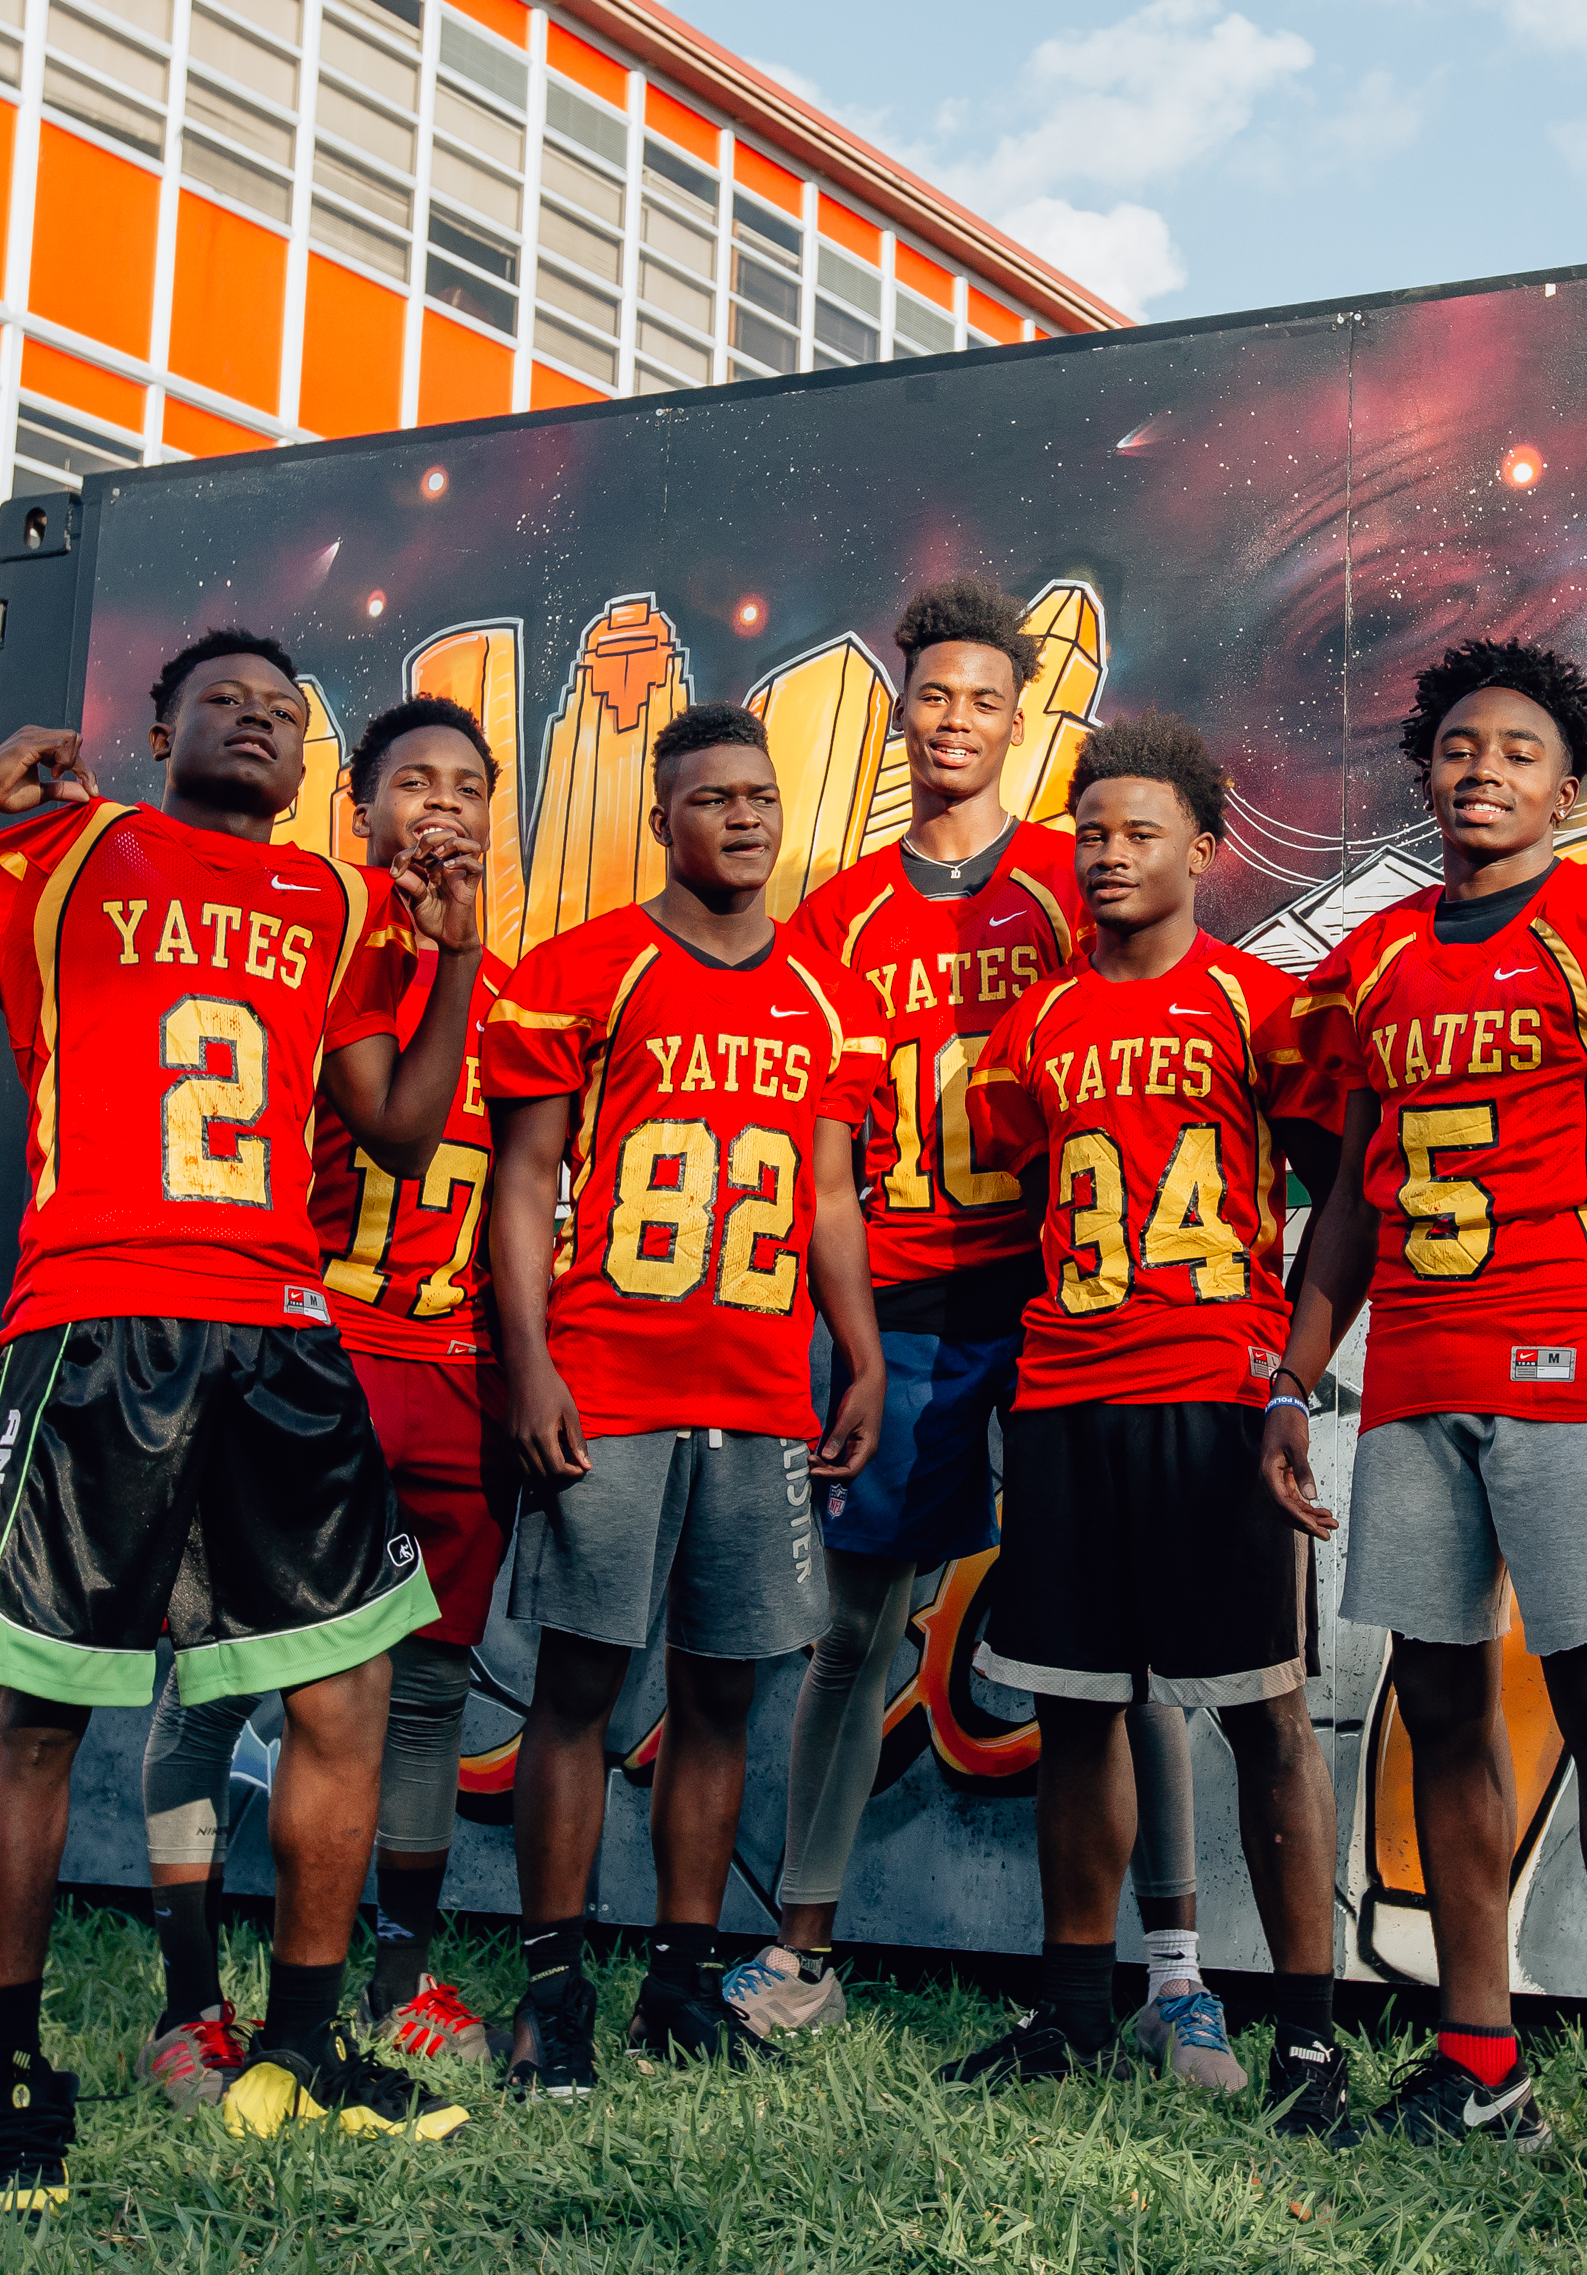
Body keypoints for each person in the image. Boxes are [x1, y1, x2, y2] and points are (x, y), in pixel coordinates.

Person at [0, 631, 484, 2214]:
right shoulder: (63, 849)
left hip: (282, 1326)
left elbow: (403, 1123)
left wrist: (454, 952)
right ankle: (12, 2081)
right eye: (225, 699)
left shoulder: (336, 897)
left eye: (285, 711)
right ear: (159, 725)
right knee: (36, 1719)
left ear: (312, 764)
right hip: (97, 1325)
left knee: (345, 1698)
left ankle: (301, 2059)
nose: (258, 719)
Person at [1266, 637, 1587, 2208]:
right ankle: (1480, 2059)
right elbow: (1354, 1190)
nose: (1481, 769)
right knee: (1440, 1706)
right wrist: (1296, 1368)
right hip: (1416, 1372)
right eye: (1457, 746)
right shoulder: (1386, 955)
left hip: (1569, 1360)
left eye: (1516, 749)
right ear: (1426, 771)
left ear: (1568, 782)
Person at [729, 580, 1213, 2086]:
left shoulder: (1088, 882)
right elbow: (819, 1157)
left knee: (1128, 1647)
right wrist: (856, 1340)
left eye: (981, 700)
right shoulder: (839, 913)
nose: (953, 720)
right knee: (856, 1627)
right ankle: (802, 1948)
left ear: (1021, 718)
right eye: (930, 695)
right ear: (904, 712)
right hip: (915, 1303)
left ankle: (1178, 1973)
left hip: (1074, 1296)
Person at [934, 715, 1351, 2129]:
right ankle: (1069, 2008)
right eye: (1093, 833)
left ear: (1205, 847)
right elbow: (1010, 1195)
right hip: (1065, 1393)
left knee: (1265, 1720)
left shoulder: (1259, 1004)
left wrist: (1294, 1369)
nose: (1110, 856)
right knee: (1073, 1715)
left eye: (1141, 832)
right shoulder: (1038, 1018)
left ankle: (1308, 2036)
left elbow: (1336, 1197)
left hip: (1212, 1395)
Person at [482, 700, 888, 2096]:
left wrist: (863, 1348)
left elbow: (832, 1193)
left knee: (725, 1693)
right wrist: (528, 1357)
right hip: (614, 1377)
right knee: (581, 1686)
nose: (745, 815)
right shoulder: (588, 969)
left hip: (764, 1391)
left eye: (761, 794)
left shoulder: (829, 993)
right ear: (663, 818)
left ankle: (675, 1975)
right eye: (712, 795)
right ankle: (550, 1988)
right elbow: (525, 1180)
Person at [133, 698, 519, 2106]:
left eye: (468, 784)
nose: (441, 805)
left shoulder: (515, 989)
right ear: (355, 808)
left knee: (422, 1699)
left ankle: (395, 1977)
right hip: (294, 1361)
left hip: (452, 1378)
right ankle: (189, 1999)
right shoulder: (291, 953)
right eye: (412, 779)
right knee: (207, 1682)